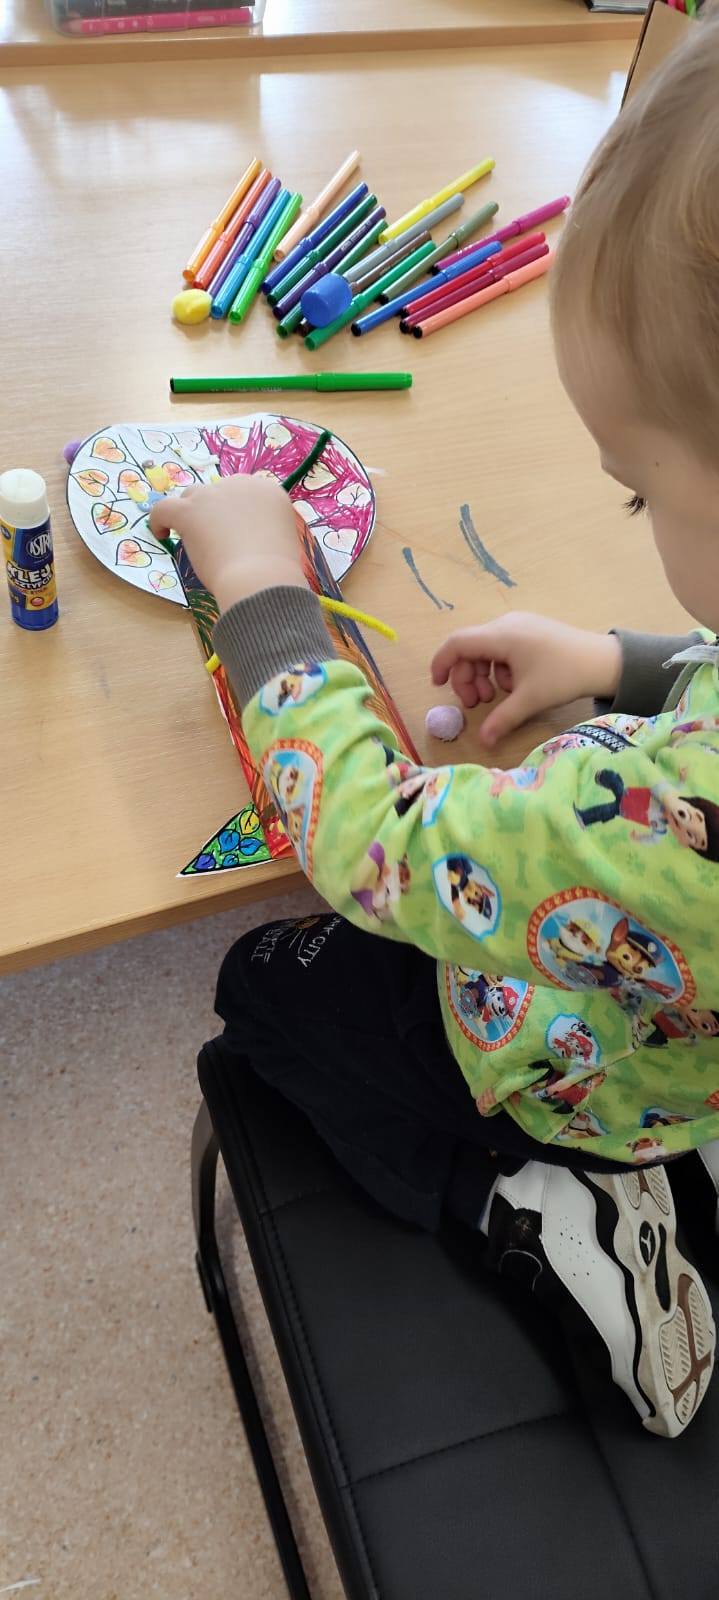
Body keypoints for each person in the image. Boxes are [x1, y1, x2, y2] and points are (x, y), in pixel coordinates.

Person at [150, 14, 719, 1439]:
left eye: (639, 491)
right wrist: (617, 661)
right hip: (687, 1021)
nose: (632, 511)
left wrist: (261, 588)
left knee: (270, 992)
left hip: (589, 1065)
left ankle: (545, 1205)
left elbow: (372, 842)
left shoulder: (644, 838)